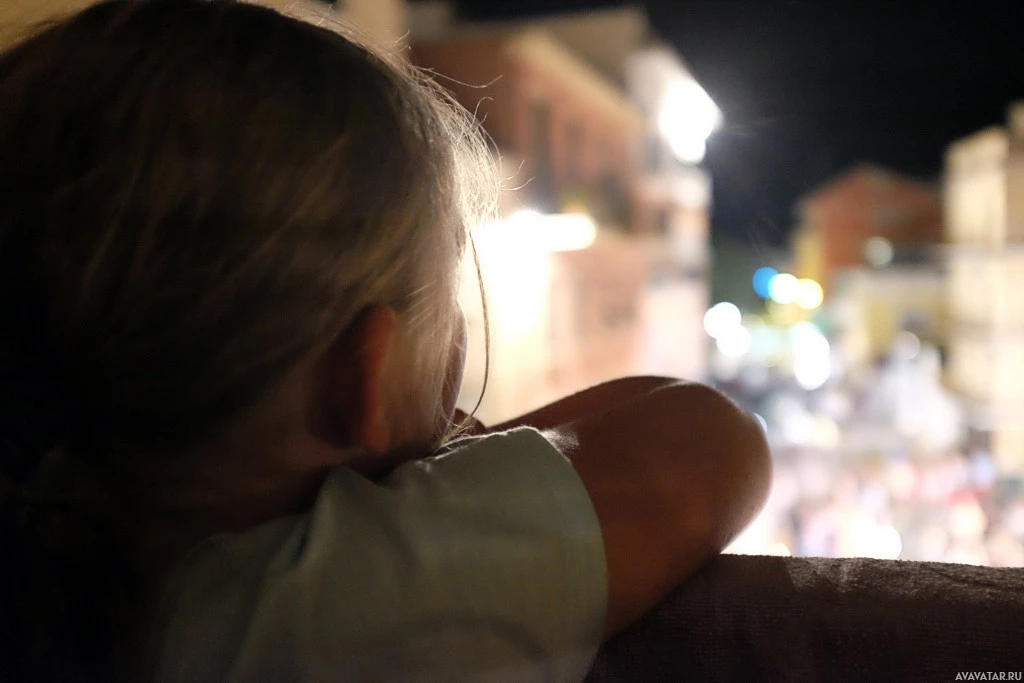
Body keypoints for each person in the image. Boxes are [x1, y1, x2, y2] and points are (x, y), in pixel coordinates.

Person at [0, 1, 772, 681]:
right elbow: (711, 440)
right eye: (451, 312)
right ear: (357, 384)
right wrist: (453, 467)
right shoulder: (306, 609)